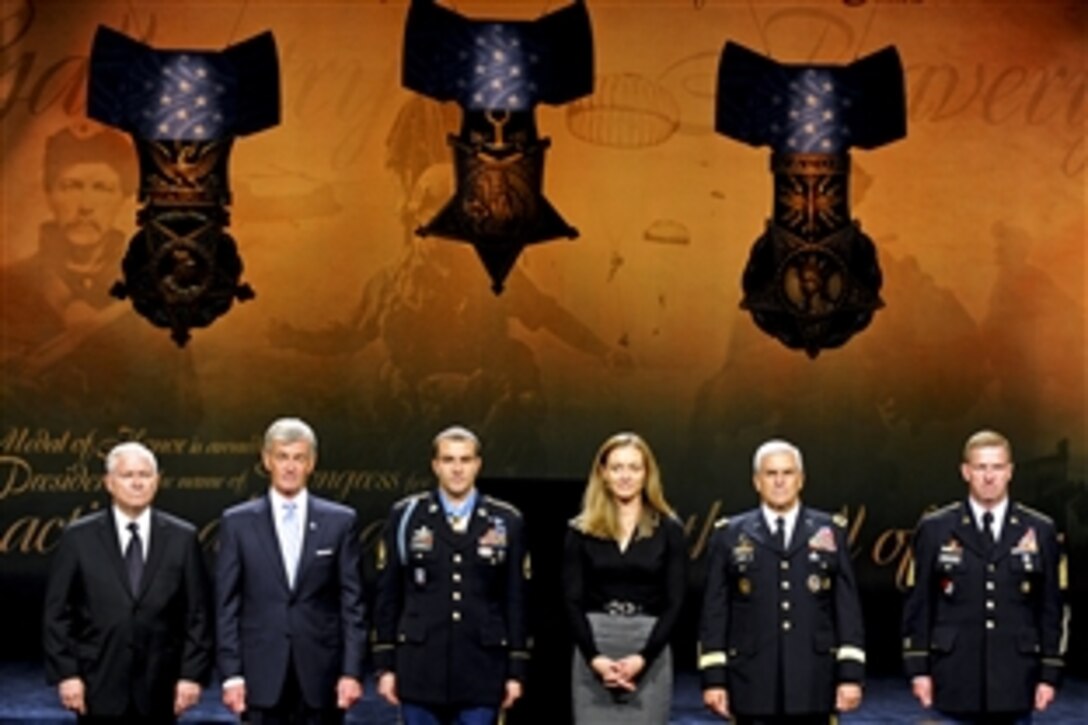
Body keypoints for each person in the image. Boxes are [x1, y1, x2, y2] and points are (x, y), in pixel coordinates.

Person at [0, 122, 201, 428]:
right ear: (49, 193)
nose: (85, 206)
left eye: (102, 188)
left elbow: (182, 418)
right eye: (71, 186)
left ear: (122, 197)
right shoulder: (8, 288)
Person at [902, 429, 1065, 724]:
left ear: (1010, 472)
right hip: (953, 676)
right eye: (980, 467)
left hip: (1017, 678)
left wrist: (1049, 674)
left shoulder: (1039, 529)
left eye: (997, 467)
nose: (989, 476)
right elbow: (920, 604)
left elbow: (1051, 608)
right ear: (966, 472)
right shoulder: (936, 528)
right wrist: (919, 670)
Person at [42, 441, 213, 722]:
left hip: (162, 686)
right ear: (109, 482)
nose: (137, 483)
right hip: (97, 683)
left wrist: (191, 675)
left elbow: (198, 614)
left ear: (156, 482)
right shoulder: (78, 537)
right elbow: (57, 613)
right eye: (127, 475)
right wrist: (67, 674)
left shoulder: (182, 538)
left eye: (145, 475)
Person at [698, 439, 865, 723]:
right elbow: (715, 612)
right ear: (756, 481)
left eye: (787, 473)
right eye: (770, 473)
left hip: (814, 680)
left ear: (800, 480)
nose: (779, 482)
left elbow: (846, 609)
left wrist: (850, 675)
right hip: (751, 681)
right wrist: (714, 679)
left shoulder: (830, 531)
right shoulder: (730, 534)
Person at [373, 425, 529, 724]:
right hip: (419, 667)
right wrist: (385, 665)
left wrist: (516, 669)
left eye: (465, 460)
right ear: (435, 465)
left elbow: (516, 599)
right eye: (448, 460)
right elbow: (388, 595)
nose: (457, 469)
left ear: (478, 465)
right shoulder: (407, 515)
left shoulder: (505, 520)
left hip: (482, 668)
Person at [216, 417, 366, 723]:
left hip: (321, 676)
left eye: (298, 458)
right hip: (260, 675)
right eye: (282, 457)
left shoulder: (340, 521)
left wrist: (351, 671)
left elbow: (353, 604)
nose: (290, 467)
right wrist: (231, 674)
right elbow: (226, 605)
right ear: (266, 460)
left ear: (311, 463)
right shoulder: (237, 523)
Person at [562, 432, 687, 723]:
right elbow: (571, 599)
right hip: (594, 645)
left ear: (647, 474)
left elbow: (675, 601)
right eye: (617, 468)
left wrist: (643, 658)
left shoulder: (668, 529)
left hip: (649, 648)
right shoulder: (580, 531)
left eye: (634, 468)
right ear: (603, 474)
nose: (625, 476)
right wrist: (595, 659)